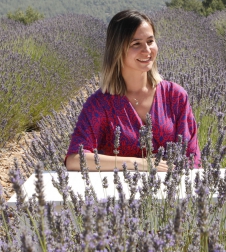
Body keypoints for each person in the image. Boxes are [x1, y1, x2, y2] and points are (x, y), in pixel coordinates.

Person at [65, 10, 201, 172]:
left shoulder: (175, 96)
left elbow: (192, 158)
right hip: (121, 194)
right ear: (117, 50)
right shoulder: (101, 104)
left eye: (150, 41)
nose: (147, 50)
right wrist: (135, 163)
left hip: (173, 192)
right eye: (136, 44)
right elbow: (74, 159)